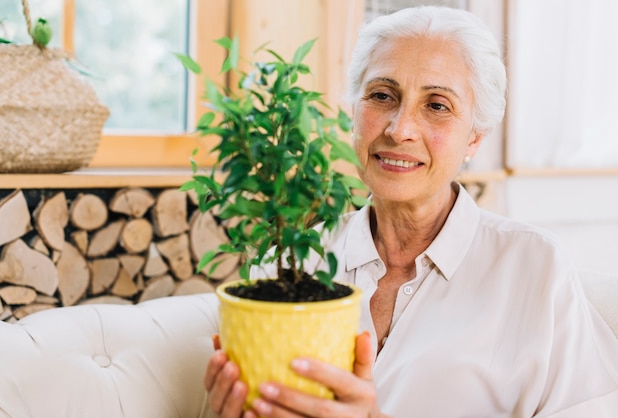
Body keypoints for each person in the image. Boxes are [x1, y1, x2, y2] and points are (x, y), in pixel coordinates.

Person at [203, 5, 618, 417]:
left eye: (437, 105)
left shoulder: (534, 267)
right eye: (382, 96)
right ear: (353, 110)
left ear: (475, 137)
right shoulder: (289, 266)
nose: (399, 129)